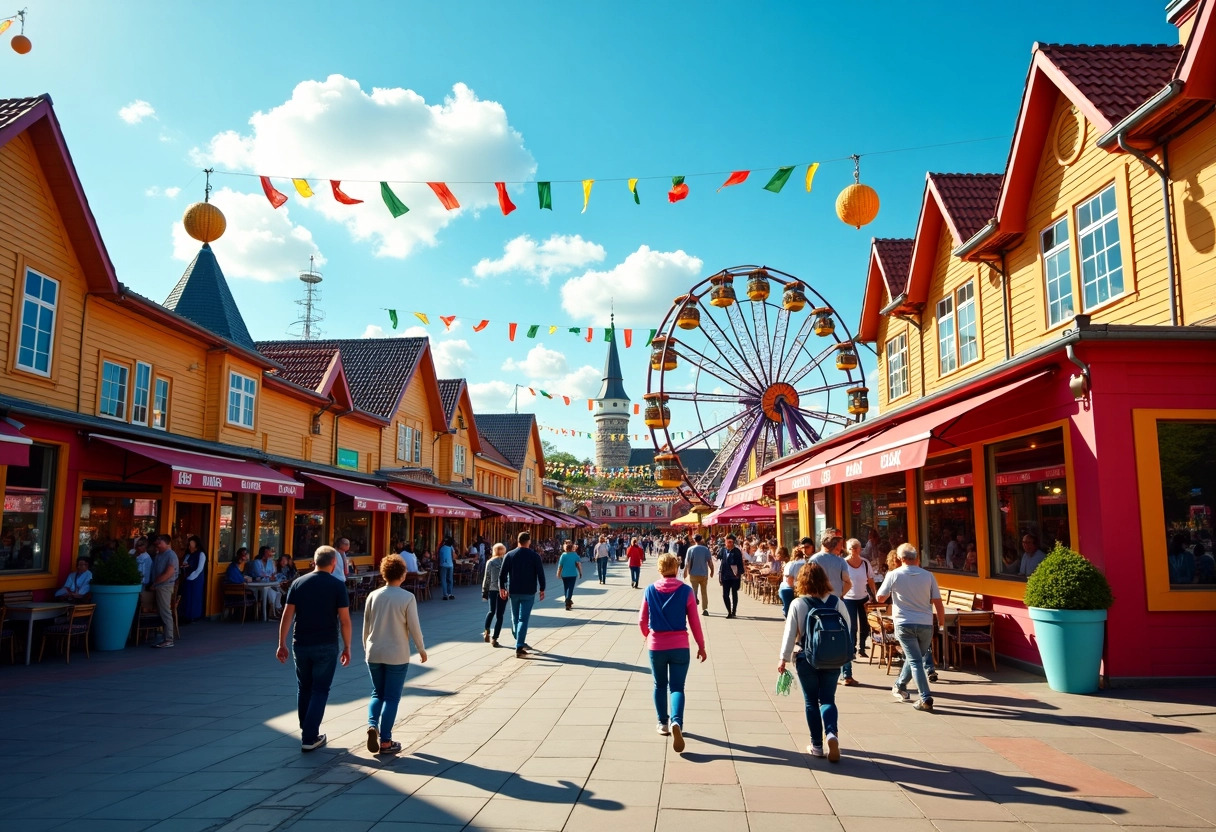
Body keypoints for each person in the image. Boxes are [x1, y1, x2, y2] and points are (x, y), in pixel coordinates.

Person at [277, 545, 352, 752]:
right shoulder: (337, 586)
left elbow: (287, 615)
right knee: (320, 689)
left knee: (304, 687)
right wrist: (347, 646)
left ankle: (307, 729)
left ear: (314, 561)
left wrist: (281, 643)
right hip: (326, 643)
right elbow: (345, 620)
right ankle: (310, 736)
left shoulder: (298, 583)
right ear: (334, 562)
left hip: (300, 643)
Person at [779, 562, 849, 761]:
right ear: (824, 579)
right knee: (827, 699)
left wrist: (783, 658)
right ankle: (832, 734)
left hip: (806, 657)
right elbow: (848, 629)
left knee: (811, 701)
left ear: (802, 581)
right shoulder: (837, 602)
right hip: (833, 659)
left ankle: (817, 745)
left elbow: (790, 634)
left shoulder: (798, 604)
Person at [639, 553, 706, 754]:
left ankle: (663, 723)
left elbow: (642, 621)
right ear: (676, 569)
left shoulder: (650, 590)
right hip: (680, 645)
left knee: (659, 684)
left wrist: (648, 636)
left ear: (659, 570)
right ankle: (677, 721)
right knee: (677, 687)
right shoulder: (686, 591)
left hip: (657, 645)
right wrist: (701, 645)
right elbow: (694, 621)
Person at [363, 553, 427, 756]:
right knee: (391, 697)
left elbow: (366, 626)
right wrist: (421, 649)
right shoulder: (407, 598)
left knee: (377, 693)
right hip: (396, 654)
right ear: (402, 574)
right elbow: (414, 627)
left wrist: (367, 647)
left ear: (384, 574)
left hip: (374, 651)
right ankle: (386, 741)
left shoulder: (373, 596)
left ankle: (373, 725)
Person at [876, 544, 945, 712]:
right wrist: (941, 624)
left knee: (914, 660)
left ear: (900, 559)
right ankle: (900, 685)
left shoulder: (894, 575)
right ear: (917, 558)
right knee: (915, 658)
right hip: (926, 624)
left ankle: (925, 697)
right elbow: (938, 602)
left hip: (904, 623)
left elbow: (880, 597)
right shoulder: (928, 576)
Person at [499, 531, 546, 658]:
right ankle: (519, 645)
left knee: (515, 618)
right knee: (523, 619)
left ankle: (518, 637)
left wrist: (502, 588)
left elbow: (502, 574)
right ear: (529, 541)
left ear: (518, 540)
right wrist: (542, 588)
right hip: (529, 591)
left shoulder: (509, 555)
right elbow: (540, 573)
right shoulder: (534, 556)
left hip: (513, 591)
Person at [841, 538, 877, 683]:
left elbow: (871, 580)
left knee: (865, 624)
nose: (855, 550)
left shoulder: (865, 563)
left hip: (863, 597)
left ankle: (862, 647)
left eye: (857, 548)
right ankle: (852, 650)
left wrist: (874, 594)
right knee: (852, 626)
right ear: (847, 549)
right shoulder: (843, 563)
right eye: (852, 548)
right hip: (848, 598)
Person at [149, 534, 179, 649]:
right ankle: (161, 635)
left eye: (160, 543)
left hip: (164, 586)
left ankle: (168, 638)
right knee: (159, 611)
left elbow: (169, 572)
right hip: (158, 586)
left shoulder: (170, 555)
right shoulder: (159, 554)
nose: (158, 545)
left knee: (165, 611)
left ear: (166, 543)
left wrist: (156, 583)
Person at [482, 543, 509, 646]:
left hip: (492, 590)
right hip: (503, 590)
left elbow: (487, 577)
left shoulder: (490, 562)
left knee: (491, 611)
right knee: (500, 615)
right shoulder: (506, 562)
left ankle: (487, 630)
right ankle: (495, 638)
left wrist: (484, 592)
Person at [683, 534, 715, 616]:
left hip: (693, 573)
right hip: (703, 574)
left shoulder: (690, 549)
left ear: (694, 540)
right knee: (704, 592)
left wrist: (685, 572)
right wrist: (712, 571)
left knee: (694, 591)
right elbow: (710, 562)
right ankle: (705, 609)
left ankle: (693, 607)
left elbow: (687, 562)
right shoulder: (705, 549)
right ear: (701, 540)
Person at [781, 538, 812, 618]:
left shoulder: (792, 564)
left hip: (795, 588)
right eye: (803, 548)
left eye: (807, 547)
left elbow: (789, 579)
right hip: (806, 588)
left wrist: (793, 588)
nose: (804, 550)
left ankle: (788, 614)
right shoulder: (806, 562)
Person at [180, 535, 207, 623]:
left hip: (196, 579)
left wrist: (191, 577)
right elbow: (184, 563)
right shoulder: (188, 554)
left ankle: (194, 616)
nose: (190, 547)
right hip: (187, 577)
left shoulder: (201, 554)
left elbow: (199, 568)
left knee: (195, 597)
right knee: (187, 597)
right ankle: (186, 615)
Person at [719, 534, 744, 618]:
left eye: (730, 542)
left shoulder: (736, 551)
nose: (728, 543)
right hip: (725, 575)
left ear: (733, 542)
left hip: (734, 576)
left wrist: (739, 573)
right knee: (725, 595)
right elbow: (718, 557)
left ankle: (733, 611)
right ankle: (729, 611)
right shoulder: (723, 550)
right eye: (727, 541)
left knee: (734, 593)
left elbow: (740, 564)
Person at [254, 545, 283, 617]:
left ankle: (276, 609)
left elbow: (274, 573)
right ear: (263, 553)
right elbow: (258, 574)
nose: (270, 554)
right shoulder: (257, 562)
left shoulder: (271, 562)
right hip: (259, 584)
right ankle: (273, 611)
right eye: (268, 552)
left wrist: (273, 576)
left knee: (278, 591)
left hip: (270, 582)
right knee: (271, 589)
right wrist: (269, 577)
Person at [556, 541, 583, 610]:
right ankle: (568, 601)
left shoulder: (563, 555)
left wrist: (558, 574)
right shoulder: (575, 555)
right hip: (573, 574)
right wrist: (580, 572)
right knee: (570, 588)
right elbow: (578, 564)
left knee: (566, 588)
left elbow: (560, 566)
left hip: (564, 575)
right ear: (572, 548)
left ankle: (567, 601)